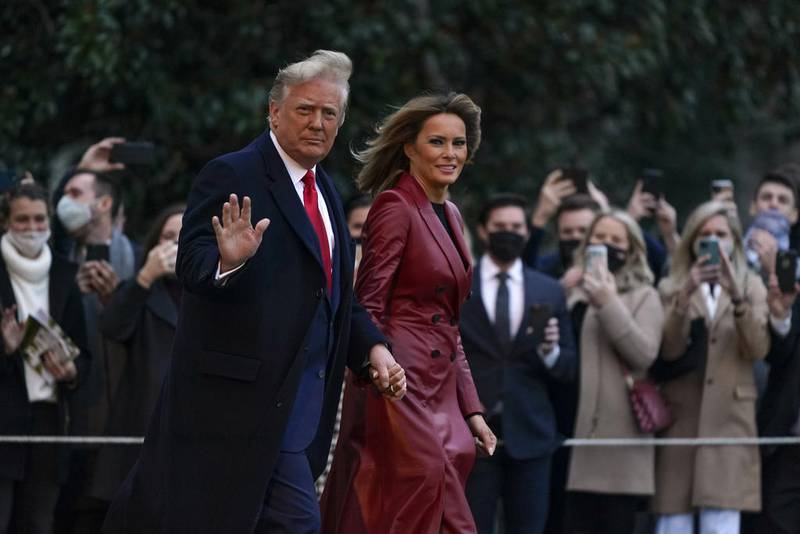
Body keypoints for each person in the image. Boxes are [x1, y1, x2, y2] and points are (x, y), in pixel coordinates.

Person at [103, 50, 405, 534]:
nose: (317, 123)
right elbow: (192, 265)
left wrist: (373, 350)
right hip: (233, 409)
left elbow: (331, 299)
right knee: (294, 524)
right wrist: (230, 260)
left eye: (330, 114)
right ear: (274, 112)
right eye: (305, 110)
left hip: (299, 407)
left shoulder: (325, 189)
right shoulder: (233, 173)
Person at [320, 92, 496, 534]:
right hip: (397, 379)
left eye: (459, 143)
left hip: (440, 383)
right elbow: (368, 302)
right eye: (437, 142)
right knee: (424, 485)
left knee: (444, 476)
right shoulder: (394, 206)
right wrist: (375, 367)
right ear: (409, 147)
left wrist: (471, 408)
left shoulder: (452, 214)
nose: (450, 153)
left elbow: (449, 324)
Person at [460, 194, 576, 534]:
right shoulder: (460, 283)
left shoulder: (549, 290)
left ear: (527, 232)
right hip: (473, 436)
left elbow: (568, 365)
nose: (508, 233)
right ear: (483, 231)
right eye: (500, 227)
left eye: (515, 227)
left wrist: (550, 350)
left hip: (532, 437)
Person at [653, 200, 770, 534]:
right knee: (672, 524)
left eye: (721, 234)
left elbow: (758, 348)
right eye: (705, 234)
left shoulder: (751, 286)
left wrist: (736, 297)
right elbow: (668, 351)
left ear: (734, 240)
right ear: (691, 241)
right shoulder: (671, 287)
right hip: (681, 421)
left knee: (721, 525)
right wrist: (685, 295)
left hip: (730, 424)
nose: (714, 241)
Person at [563, 209, 665, 534]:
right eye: (600, 238)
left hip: (618, 450)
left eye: (616, 240)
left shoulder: (645, 295)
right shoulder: (571, 293)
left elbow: (644, 354)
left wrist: (608, 302)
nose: (607, 246)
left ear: (632, 249)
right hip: (572, 438)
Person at [0, 182, 89, 534]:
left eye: (39, 219)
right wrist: (5, 349)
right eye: (22, 220)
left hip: (49, 420)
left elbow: (85, 356)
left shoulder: (65, 275)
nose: (32, 228)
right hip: (3, 418)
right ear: (6, 221)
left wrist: (70, 371)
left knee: (38, 522)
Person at [88, 204, 184, 503]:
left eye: (185, 237)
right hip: (140, 427)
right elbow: (112, 326)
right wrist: (145, 277)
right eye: (168, 237)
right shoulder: (142, 289)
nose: (175, 245)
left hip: (190, 428)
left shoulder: (214, 294)